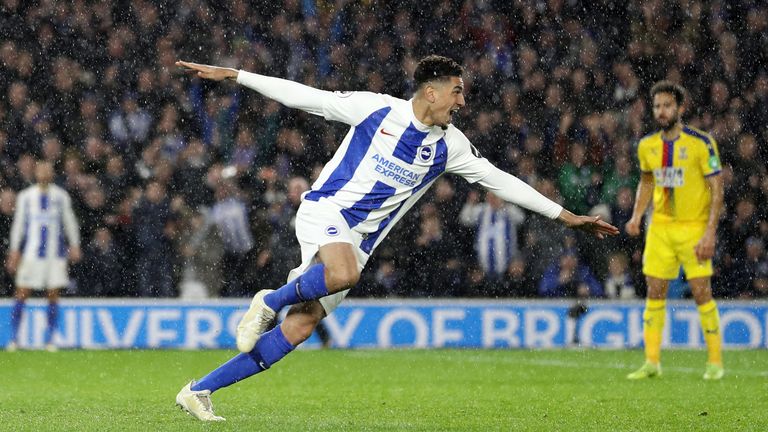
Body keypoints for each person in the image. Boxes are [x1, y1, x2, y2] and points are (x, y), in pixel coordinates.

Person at [173, 55, 618, 421]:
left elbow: (500, 181)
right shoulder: (377, 109)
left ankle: (200, 390)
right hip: (326, 211)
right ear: (431, 91)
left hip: (360, 243)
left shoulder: (451, 145)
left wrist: (565, 216)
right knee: (341, 274)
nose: (461, 101)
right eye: (456, 91)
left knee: (302, 325)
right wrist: (238, 75)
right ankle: (268, 301)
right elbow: (307, 97)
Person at [625, 81, 725, 380]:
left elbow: (716, 189)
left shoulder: (701, 143)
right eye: (657, 106)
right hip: (661, 228)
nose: (662, 111)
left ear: (680, 108)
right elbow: (646, 181)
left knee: (701, 292)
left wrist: (710, 233)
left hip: (693, 228)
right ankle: (652, 361)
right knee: (654, 292)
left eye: (667, 105)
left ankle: (715, 362)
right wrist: (636, 216)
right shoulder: (647, 146)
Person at [5, 161, 81, 352]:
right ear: (36, 172)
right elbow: (19, 225)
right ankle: (14, 338)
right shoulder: (26, 196)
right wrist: (14, 250)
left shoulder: (61, 196)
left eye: (47, 170)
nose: (44, 173)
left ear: (52, 173)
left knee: (53, 295)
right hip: (32, 254)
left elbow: (69, 221)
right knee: (22, 292)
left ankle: (49, 340)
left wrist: (75, 245)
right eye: (41, 170)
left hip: (55, 255)